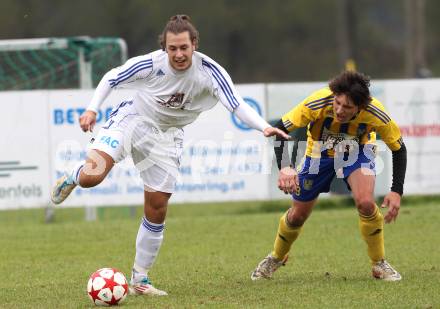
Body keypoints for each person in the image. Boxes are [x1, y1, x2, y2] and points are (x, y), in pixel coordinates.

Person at [51, 14, 290, 296]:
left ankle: (140, 280)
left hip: (167, 137)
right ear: (165, 47)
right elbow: (111, 77)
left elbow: (236, 105)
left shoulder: (210, 73)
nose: (178, 54)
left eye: (184, 48)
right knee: (92, 176)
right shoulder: (151, 64)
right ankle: (74, 176)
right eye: (172, 48)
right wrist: (91, 109)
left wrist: (263, 127)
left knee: (157, 207)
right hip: (133, 120)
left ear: (194, 45)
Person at [251, 71, 407, 282]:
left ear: (360, 107)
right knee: (297, 215)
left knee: (366, 204)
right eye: (338, 103)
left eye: (347, 107)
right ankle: (276, 257)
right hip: (318, 152)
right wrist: (286, 166)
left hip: (357, 150)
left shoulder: (376, 113)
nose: (340, 110)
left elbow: (399, 148)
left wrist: (396, 190)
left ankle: (379, 263)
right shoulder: (317, 102)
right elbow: (280, 128)